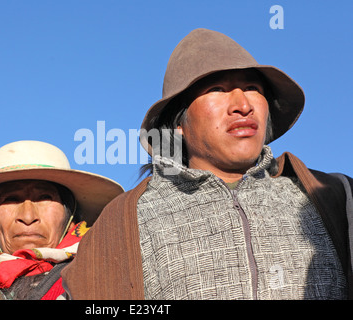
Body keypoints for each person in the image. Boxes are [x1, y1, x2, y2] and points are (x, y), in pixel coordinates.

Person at [62, 28, 353, 300]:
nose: (242, 104)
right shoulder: (126, 221)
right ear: (179, 123)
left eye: (252, 87)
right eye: (216, 89)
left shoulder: (329, 198)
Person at [0, 140, 124, 300]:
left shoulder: (109, 280)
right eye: (11, 200)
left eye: (45, 198)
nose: (28, 217)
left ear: (70, 218)